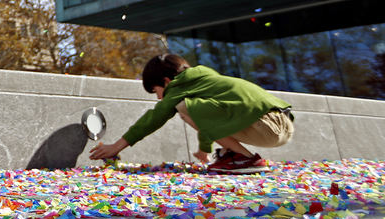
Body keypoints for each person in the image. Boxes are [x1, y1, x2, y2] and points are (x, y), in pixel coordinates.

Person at [89, 53, 295, 173]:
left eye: (156, 92)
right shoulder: (202, 79)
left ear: (166, 82)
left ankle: (246, 159)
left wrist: (117, 146)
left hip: (267, 124)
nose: (159, 99)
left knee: (185, 108)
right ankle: (232, 153)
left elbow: (154, 117)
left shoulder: (179, 87)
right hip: (282, 121)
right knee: (197, 107)